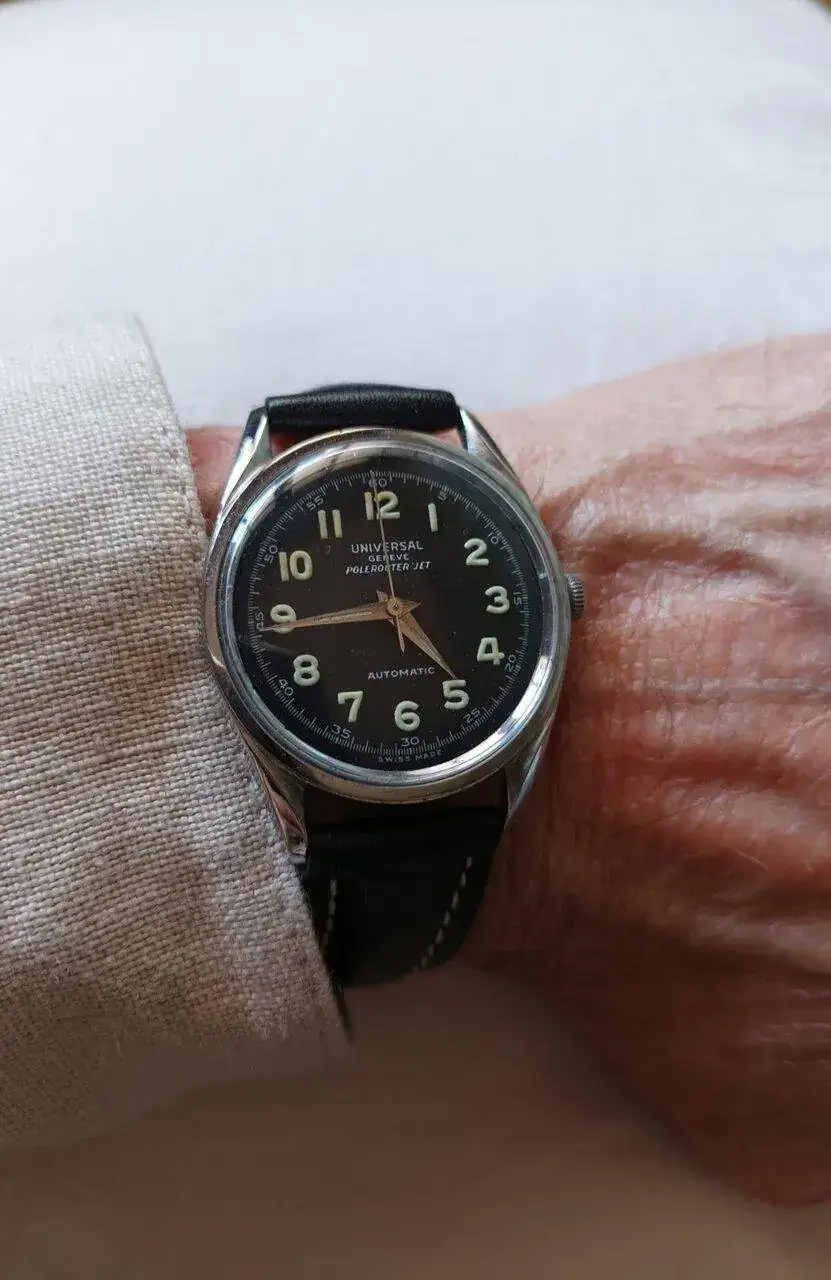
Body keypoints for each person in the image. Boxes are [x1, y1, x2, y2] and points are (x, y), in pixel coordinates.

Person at [1, 322, 829, 1202]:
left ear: (562, 598)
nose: (398, 610)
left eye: (400, 607)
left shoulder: (514, 584)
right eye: (388, 611)